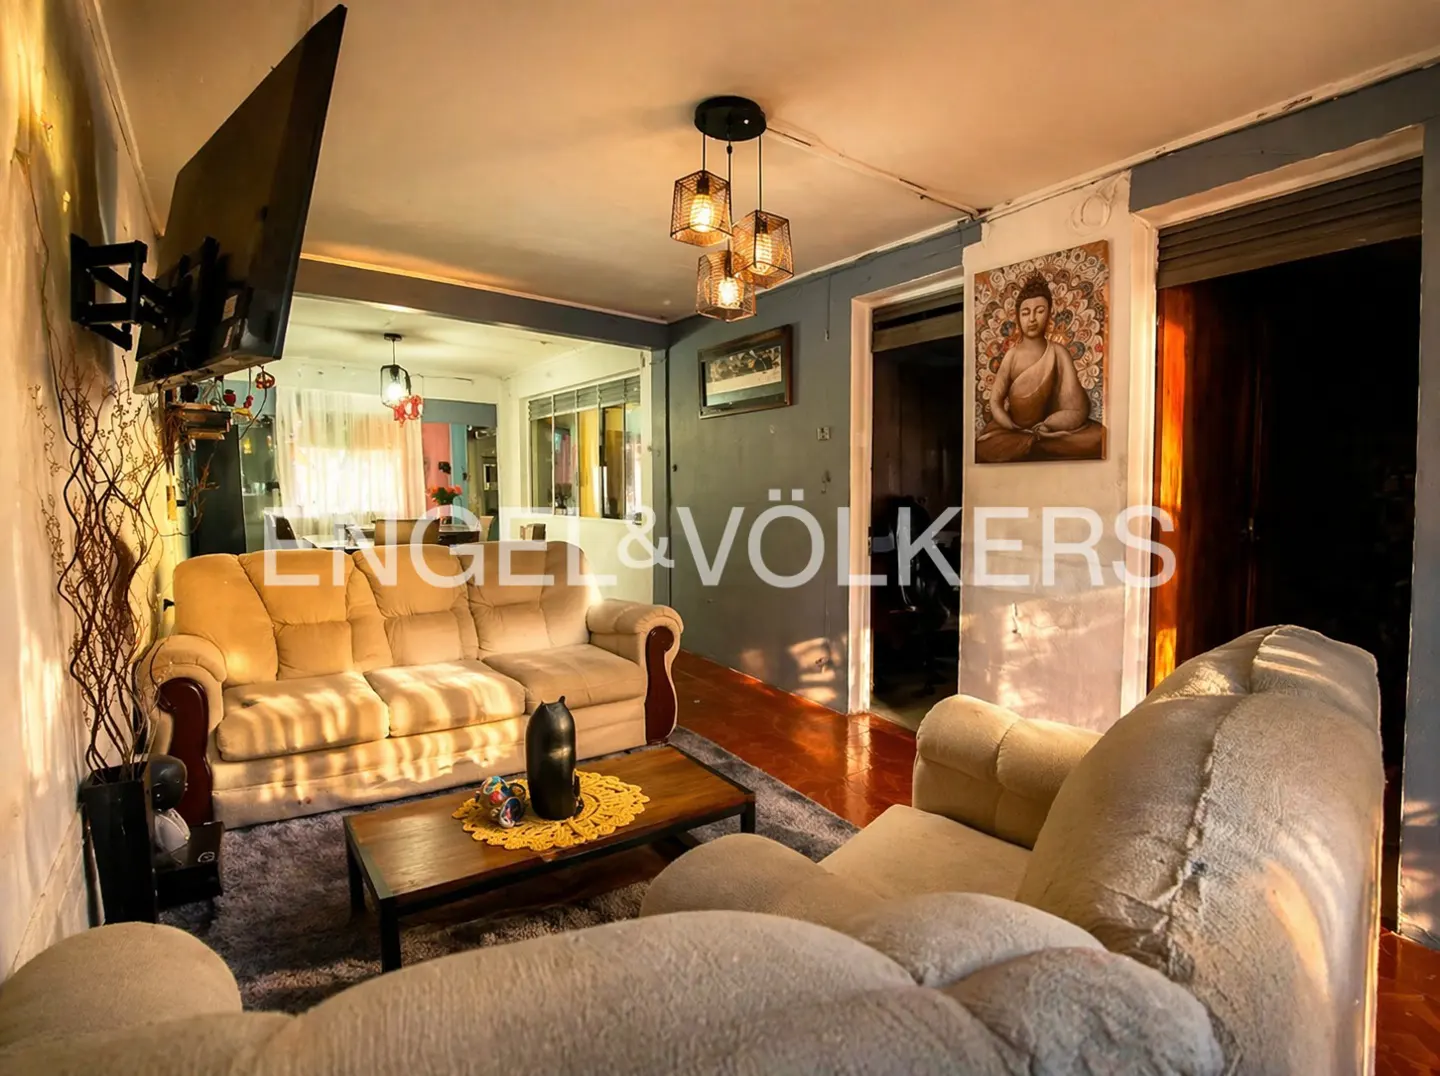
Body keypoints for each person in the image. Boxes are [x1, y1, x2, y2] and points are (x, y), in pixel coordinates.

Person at [976, 273, 1105, 462]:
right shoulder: (1012, 356)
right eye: (1026, 313)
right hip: (1013, 430)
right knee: (983, 447)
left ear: (1050, 313)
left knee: (1097, 439)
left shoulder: (1058, 353)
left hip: (1049, 431)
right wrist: (1010, 425)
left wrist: (1050, 425)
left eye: (1039, 311)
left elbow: (1076, 408)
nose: (1033, 319)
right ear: (1018, 316)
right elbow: (995, 401)